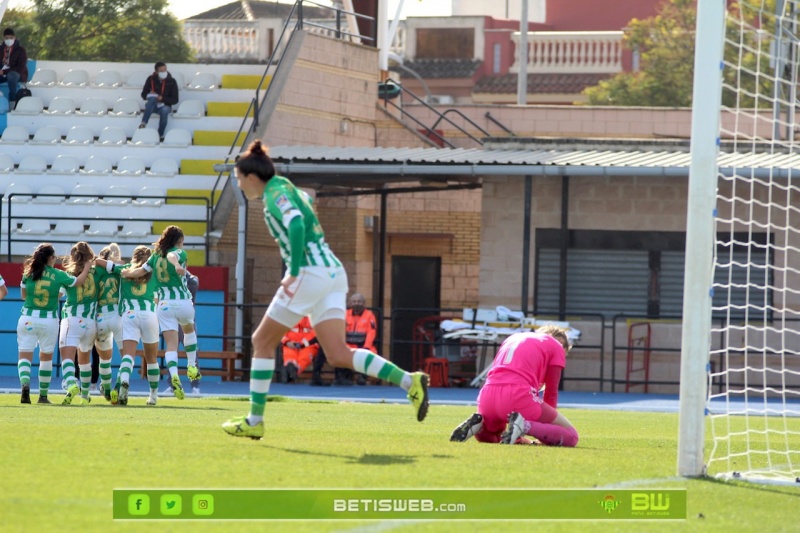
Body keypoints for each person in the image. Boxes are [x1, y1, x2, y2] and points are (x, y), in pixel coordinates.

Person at [222, 140, 429, 439]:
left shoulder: (275, 193)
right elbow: (304, 212)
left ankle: (254, 420)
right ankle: (410, 382)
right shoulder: (287, 187)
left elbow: (294, 224)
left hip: (310, 273)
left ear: (251, 177)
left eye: (240, 179)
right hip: (332, 271)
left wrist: (292, 271)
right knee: (338, 354)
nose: (240, 185)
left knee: (261, 340)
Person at [449, 325, 579, 447]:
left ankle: (480, 425)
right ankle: (523, 426)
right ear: (562, 344)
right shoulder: (556, 346)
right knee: (571, 437)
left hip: (486, 396)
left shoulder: (513, 338)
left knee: (493, 434)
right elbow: (551, 391)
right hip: (517, 395)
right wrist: (545, 431)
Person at [122, 226, 200, 400]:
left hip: (164, 305)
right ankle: (190, 365)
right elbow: (173, 256)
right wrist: (177, 265)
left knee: (171, 344)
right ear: (179, 240)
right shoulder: (179, 253)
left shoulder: (155, 256)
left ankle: (173, 375)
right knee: (189, 331)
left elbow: (140, 271)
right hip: (182, 302)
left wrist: (126, 272)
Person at [17, 243, 90, 405]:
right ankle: (43, 396)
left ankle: (25, 385)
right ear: (50, 258)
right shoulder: (57, 274)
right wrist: (86, 267)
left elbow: (23, 295)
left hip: (28, 317)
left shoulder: (28, 273)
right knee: (46, 358)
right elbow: (78, 282)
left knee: (24, 356)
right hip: (48, 320)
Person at [99, 246, 161, 406]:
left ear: (134, 256)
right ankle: (153, 396)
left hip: (130, 314)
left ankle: (124, 382)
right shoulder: (153, 274)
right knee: (152, 358)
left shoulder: (124, 269)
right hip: (149, 314)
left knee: (128, 355)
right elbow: (157, 299)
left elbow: (101, 263)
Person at [59, 242, 99, 405]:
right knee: (85, 360)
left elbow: (59, 294)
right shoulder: (96, 272)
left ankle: (71, 384)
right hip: (91, 322)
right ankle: (85, 395)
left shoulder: (69, 273)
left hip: (72, 319)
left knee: (67, 358)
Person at [93, 243, 124, 401]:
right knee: (127, 357)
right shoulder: (122, 269)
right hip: (117, 315)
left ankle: (105, 388)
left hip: (100, 316)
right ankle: (118, 386)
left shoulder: (95, 271)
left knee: (105, 359)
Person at [344, 292, 379, 385]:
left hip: (363, 344)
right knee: (340, 352)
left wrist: (366, 347)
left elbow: (372, 332)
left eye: (359, 301)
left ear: (363, 303)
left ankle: (362, 376)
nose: (356, 303)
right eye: (354, 301)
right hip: (348, 344)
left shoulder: (369, 315)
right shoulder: (345, 314)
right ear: (351, 303)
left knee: (371, 353)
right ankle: (344, 377)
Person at [139, 61, 179, 140]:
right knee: (152, 98)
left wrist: (162, 99)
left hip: (165, 105)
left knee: (164, 111)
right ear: (156, 72)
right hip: (152, 105)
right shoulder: (150, 79)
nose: (164, 72)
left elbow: (175, 99)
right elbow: (143, 94)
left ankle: (159, 135)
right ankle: (144, 123)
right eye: (161, 71)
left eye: (165, 70)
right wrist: (149, 94)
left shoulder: (172, 81)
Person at [280, 316, 319, 382]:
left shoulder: (315, 315)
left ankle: (291, 372)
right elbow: (280, 331)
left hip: (309, 345)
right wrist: (287, 342)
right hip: (291, 343)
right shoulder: (288, 315)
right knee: (289, 356)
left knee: (304, 358)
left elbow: (316, 332)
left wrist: (303, 343)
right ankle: (290, 370)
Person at [0, 28, 27, 104]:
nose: (9, 40)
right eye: (7, 38)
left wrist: (4, 71)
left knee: (12, 76)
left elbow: (20, 67)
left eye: (11, 38)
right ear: (3, 38)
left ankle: (12, 100)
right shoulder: (1, 49)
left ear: (14, 38)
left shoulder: (21, 50)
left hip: (16, 73)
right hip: (2, 73)